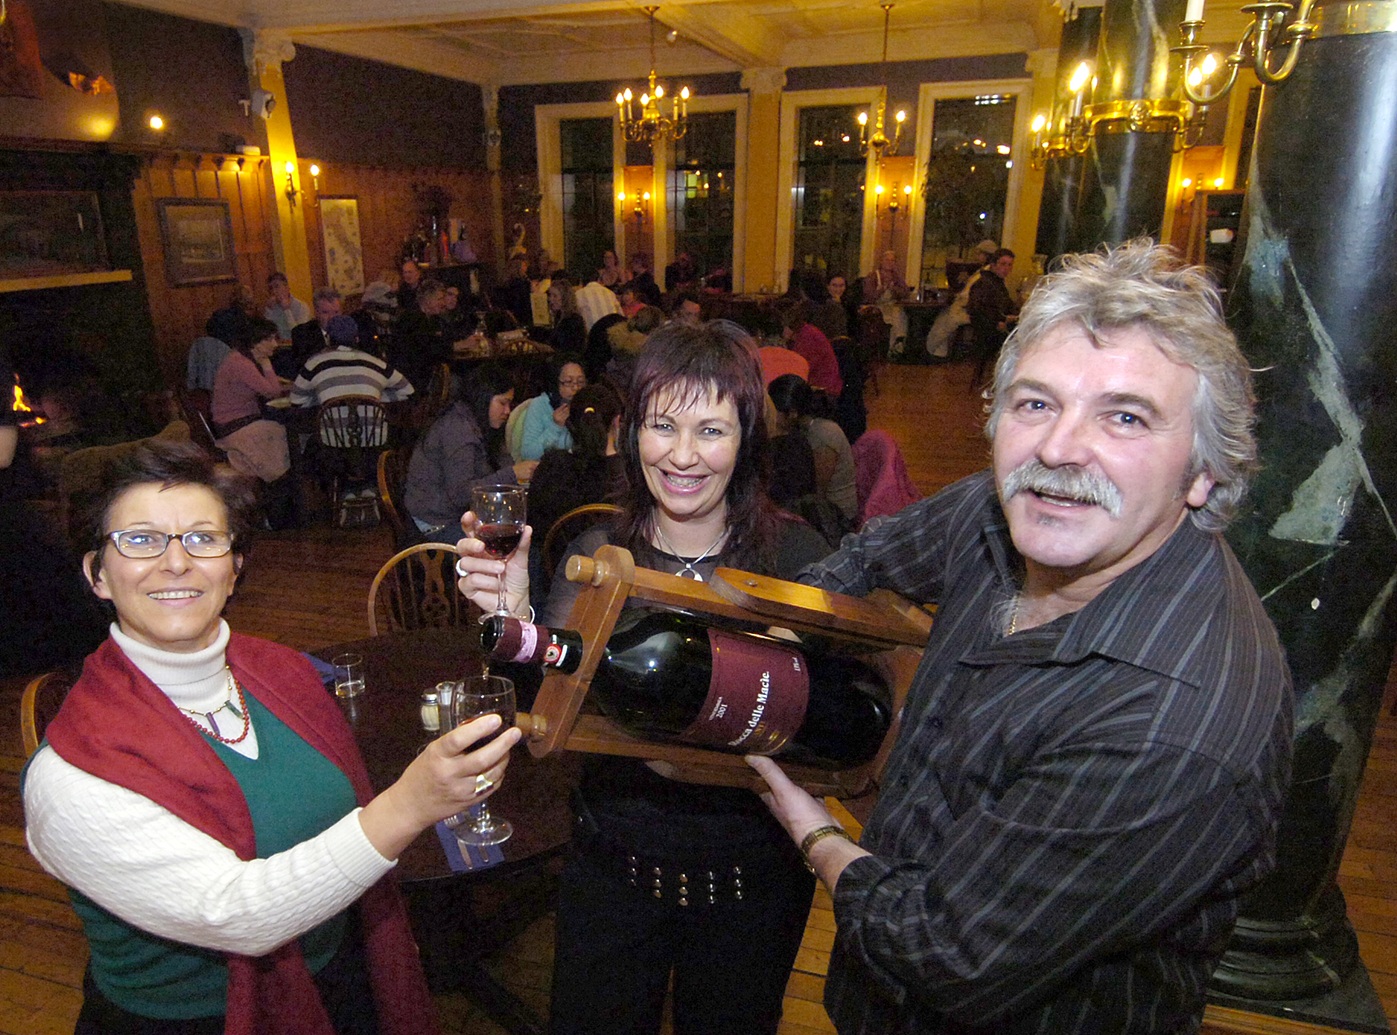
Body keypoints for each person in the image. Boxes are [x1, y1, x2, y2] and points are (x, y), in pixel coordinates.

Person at [746, 241, 1294, 1034]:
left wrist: (817, 831)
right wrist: (775, 642)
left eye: (1126, 416)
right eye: (1035, 403)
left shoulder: (1171, 722)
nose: (1059, 448)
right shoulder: (995, 514)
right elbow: (867, 555)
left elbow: (950, 953)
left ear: (1203, 471)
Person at [23, 439, 520, 1034]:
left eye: (203, 538)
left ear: (234, 568)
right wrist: (410, 804)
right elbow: (240, 914)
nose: (175, 562)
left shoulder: (279, 670)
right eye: (140, 540)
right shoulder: (69, 776)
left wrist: (509, 612)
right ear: (97, 574)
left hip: (337, 980)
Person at [454, 321, 833, 1035]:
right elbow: (548, 721)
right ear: (632, 435)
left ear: (746, 439)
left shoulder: (799, 558)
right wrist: (514, 613)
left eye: (711, 429)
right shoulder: (598, 557)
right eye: (663, 425)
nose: (683, 455)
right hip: (612, 876)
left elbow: (833, 726)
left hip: (752, 885)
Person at [404, 364, 537, 540]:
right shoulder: (458, 429)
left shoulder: (479, 422)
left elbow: (499, 464)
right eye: (503, 403)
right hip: (435, 524)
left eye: (509, 403)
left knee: (527, 528)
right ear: (483, 398)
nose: (508, 411)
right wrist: (512, 473)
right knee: (522, 542)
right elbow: (460, 495)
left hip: (455, 515)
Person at [524, 381, 626, 593]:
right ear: (617, 423)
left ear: (570, 424)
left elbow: (534, 531)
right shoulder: (630, 475)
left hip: (556, 583)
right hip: (618, 588)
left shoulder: (551, 468)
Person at [767, 373, 856, 528]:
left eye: (775, 411)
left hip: (836, 517)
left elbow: (815, 491)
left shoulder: (824, 435)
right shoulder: (802, 431)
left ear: (792, 413)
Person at [211, 317, 290, 485]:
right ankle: (283, 485)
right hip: (235, 427)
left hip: (237, 421)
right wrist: (267, 365)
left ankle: (284, 488)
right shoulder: (240, 363)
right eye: (269, 339)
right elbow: (272, 392)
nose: (275, 344)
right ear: (255, 342)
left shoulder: (239, 358)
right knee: (286, 433)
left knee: (282, 428)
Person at [289, 315, 414, 410]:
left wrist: (325, 399)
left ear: (327, 339)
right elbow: (407, 391)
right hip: (375, 439)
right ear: (357, 338)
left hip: (332, 440)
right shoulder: (376, 364)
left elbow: (296, 399)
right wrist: (374, 399)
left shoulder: (314, 364)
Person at [518, 352, 587, 461]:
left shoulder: (587, 406)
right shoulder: (539, 405)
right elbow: (528, 454)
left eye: (580, 382)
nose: (576, 388)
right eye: (568, 382)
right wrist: (555, 427)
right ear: (556, 383)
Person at [968, 247, 1019, 383]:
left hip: (997, 327)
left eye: (1010, 265)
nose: (1006, 268)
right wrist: (1000, 321)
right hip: (988, 332)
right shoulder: (984, 284)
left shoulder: (997, 283)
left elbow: (1008, 306)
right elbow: (979, 310)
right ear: (993, 265)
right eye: (1003, 264)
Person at [776, 297, 842, 399]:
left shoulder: (808, 338)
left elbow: (799, 369)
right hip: (822, 384)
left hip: (822, 390)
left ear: (789, 326)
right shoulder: (807, 332)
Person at [277, 287, 342, 380]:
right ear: (316, 312)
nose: (332, 317)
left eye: (336, 312)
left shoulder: (348, 330)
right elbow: (303, 366)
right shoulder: (302, 333)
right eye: (325, 312)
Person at [263, 272, 311, 342]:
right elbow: (267, 333)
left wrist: (287, 310)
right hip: (279, 346)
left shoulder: (301, 306)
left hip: (299, 346)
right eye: (270, 288)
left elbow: (299, 334)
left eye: (277, 286)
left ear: (287, 287)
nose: (273, 291)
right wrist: (269, 310)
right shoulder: (272, 307)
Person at [546, 277, 587, 355]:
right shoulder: (560, 316)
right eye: (550, 295)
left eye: (555, 296)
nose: (550, 299)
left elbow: (563, 347)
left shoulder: (573, 320)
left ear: (565, 298)